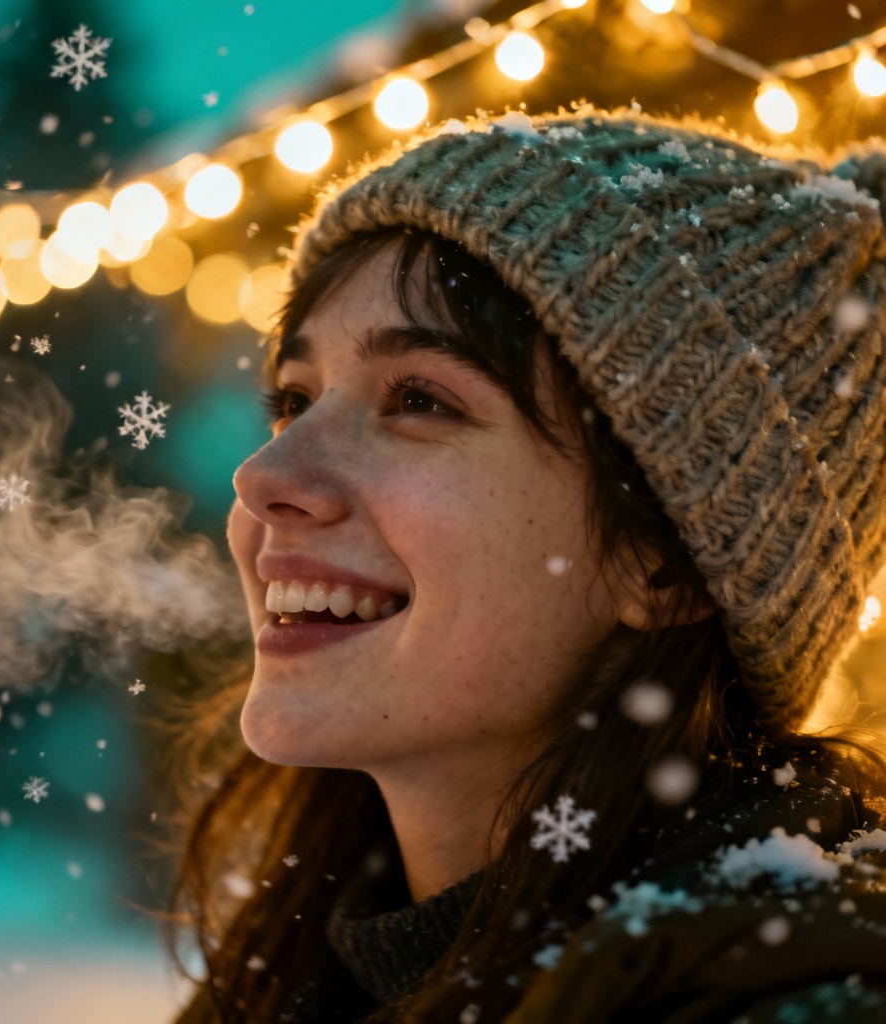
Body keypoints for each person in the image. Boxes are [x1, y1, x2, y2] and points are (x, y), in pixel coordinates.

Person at [167, 109, 886, 1023]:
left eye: (418, 399)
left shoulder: (801, 1003)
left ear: (663, 567)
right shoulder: (291, 981)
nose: (265, 475)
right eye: (293, 399)